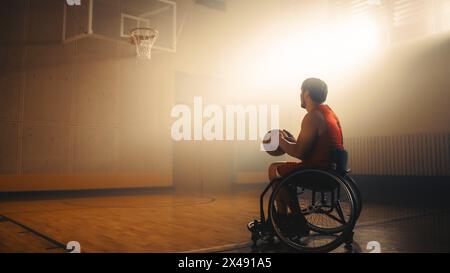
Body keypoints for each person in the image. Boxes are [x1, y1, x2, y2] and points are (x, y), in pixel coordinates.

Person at [268, 78, 344, 238]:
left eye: (301, 92)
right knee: (279, 171)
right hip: (333, 171)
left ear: (306, 93)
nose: (300, 96)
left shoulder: (312, 117)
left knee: (273, 169)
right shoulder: (330, 113)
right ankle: (283, 223)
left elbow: (300, 153)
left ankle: (295, 219)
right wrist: (291, 142)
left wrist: (281, 140)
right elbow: (309, 147)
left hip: (317, 172)